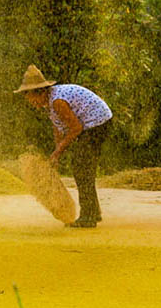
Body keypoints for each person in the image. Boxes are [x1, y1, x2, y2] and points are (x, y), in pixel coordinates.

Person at [15, 64, 112, 228]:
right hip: (90, 125)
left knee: (81, 167)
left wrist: (57, 153)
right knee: (81, 167)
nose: (30, 101)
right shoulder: (50, 104)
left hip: (98, 123)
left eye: (29, 96)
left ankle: (89, 217)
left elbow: (76, 128)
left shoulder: (58, 101)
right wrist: (57, 154)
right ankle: (93, 212)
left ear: (39, 92)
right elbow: (59, 129)